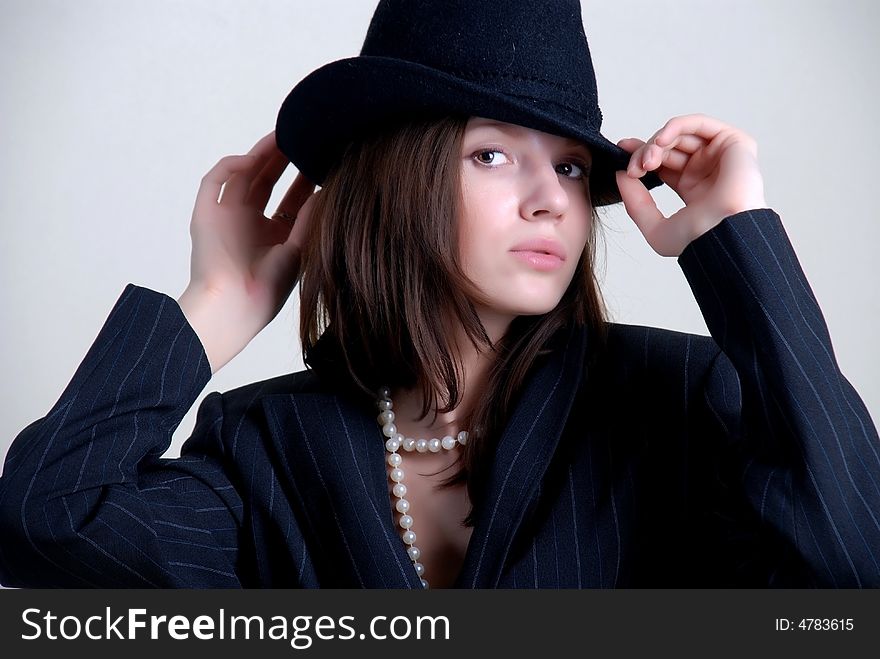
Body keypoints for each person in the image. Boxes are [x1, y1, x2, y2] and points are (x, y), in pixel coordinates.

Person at [0, 0, 878, 589]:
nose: (550, 199)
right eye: (493, 154)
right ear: (398, 177)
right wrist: (216, 304)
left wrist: (741, 247)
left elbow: (855, 561)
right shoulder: (265, 444)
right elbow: (44, 525)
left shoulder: (681, 400)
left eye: (571, 167)